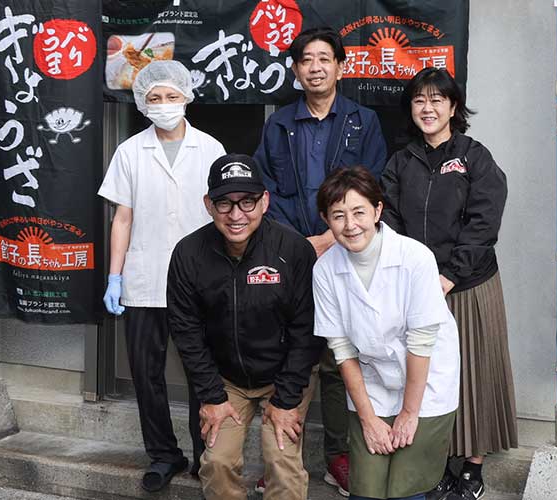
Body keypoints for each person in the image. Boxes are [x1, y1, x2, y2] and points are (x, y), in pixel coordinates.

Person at [253, 26, 388, 496]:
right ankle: (279, 461)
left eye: (324, 59)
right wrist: (299, 244)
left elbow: (371, 185)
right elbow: (265, 191)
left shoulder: (363, 122)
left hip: (346, 253)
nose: (315, 67)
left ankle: (338, 457)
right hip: (292, 256)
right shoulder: (278, 124)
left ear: (341, 67)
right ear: (295, 69)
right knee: (287, 353)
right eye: (306, 60)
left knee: (338, 360)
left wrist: (330, 238)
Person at [381, 67, 516, 500]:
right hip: (419, 287)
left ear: (453, 107)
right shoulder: (400, 161)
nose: (428, 108)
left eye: (437, 99)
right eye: (419, 100)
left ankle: (472, 468)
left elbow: (484, 221)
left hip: (469, 284)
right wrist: (413, 276)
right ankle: (436, 465)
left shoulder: (474, 156)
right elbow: (389, 223)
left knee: (474, 373)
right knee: (426, 376)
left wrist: (451, 274)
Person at [98, 60, 226, 492]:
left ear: (186, 97)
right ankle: (163, 455)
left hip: (199, 281)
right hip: (144, 279)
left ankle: (206, 456)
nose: (164, 104)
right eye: (155, 97)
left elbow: (225, 216)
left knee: (201, 373)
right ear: (142, 103)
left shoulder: (210, 148)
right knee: (145, 372)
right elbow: (122, 218)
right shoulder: (130, 151)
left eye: (172, 96)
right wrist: (115, 277)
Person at [166, 153, 325, 500]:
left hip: (284, 373)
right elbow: (186, 331)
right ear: (208, 205)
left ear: (264, 201)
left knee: (282, 461)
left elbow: (307, 330)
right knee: (216, 462)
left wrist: (286, 399)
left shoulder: (293, 250)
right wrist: (211, 396)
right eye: (225, 203)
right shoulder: (188, 254)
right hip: (227, 379)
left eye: (247, 202)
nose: (236, 215)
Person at [312, 166, 460, 500]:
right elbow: (342, 350)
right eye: (338, 215)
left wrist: (409, 414)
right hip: (372, 382)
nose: (350, 225)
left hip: (427, 381)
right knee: (366, 489)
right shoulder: (324, 270)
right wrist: (367, 419)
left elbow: (420, 342)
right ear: (325, 219)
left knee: (406, 489)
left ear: (378, 210)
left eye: (359, 212)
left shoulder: (415, 258)